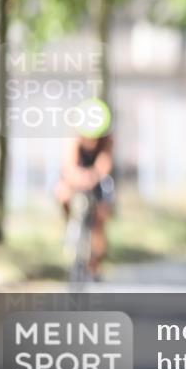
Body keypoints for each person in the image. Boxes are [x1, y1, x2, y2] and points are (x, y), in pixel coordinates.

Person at [54, 115, 114, 281]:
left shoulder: (107, 139)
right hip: (76, 178)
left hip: (97, 179)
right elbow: (68, 166)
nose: (92, 141)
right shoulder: (73, 138)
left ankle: (96, 262)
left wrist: (93, 177)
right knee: (62, 194)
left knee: (102, 213)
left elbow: (104, 164)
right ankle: (69, 225)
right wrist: (79, 180)